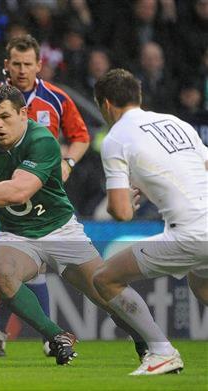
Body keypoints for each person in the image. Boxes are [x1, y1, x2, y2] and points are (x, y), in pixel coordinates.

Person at [0, 85, 148, 366]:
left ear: (23, 113)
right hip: (16, 235)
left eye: (5, 117)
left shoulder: (42, 139)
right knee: (0, 271)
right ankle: (57, 336)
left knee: (104, 293)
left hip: (60, 230)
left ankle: (146, 340)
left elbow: (18, 191)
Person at [0, 34, 91, 357]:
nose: (22, 70)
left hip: (45, 187)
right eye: (16, 64)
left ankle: (1, 325)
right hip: (6, 190)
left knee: (28, 266)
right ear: (6, 65)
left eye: (28, 64)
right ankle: (39, 334)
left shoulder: (57, 99)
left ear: (40, 65)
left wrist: (67, 162)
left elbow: (81, 137)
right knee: (24, 263)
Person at [92, 68, 208, 375]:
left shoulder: (115, 139)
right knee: (201, 282)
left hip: (192, 235)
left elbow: (121, 213)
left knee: (104, 278)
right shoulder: (177, 122)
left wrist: (128, 200)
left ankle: (161, 351)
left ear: (105, 105)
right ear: (138, 96)